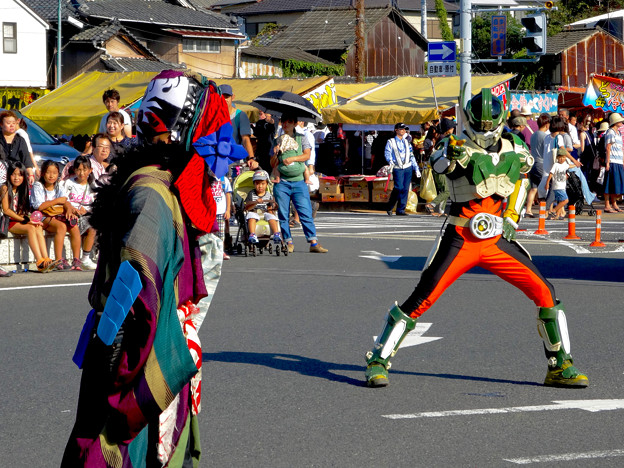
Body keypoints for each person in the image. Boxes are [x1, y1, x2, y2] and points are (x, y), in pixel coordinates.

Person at [62, 69, 233, 466]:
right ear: (180, 132)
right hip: (138, 364)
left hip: (158, 352)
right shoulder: (154, 193)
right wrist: (115, 379)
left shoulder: (161, 184)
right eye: (210, 134)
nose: (216, 149)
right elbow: (132, 297)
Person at [364, 88, 588, 389]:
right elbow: (441, 166)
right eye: (479, 124)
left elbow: (522, 179)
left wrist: (512, 215)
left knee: (545, 291)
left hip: (496, 237)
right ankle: (378, 360)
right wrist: (449, 155)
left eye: (488, 124)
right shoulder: (454, 144)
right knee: (422, 297)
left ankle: (560, 365)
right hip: (462, 236)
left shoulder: (514, 145)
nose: (484, 130)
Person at [270, 113, 327, 253]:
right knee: (283, 214)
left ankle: (313, 242)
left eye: (289, 121)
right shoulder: (277, 139)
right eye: (283, 121)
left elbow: (306, 155)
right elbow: (272, 164)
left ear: (295, 123)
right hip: (282, 182)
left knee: (305, 212)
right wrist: (275, 153)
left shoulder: (302, 138)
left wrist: (293, 159)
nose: (286, 124)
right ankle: (288, 242)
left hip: (299, 181)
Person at [1, 161, 57, 273]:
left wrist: (31, 220)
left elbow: (22, 211)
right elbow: (6, 210)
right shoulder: (5, 188)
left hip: (19, 219)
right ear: (8, 175)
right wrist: (26, 221)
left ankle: (47, 259)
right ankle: (39, 261)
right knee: (31, 228)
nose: (17, 178)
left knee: (38, 227)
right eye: (13, 174)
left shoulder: (23, 189)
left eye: (20, 175)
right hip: (7, 221)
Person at [31, 160, 79, 271]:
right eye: (48, 172)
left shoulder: (58, 186)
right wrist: (57, 201)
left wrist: (69, 210)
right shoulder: (38, 186)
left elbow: (65, 201)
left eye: (55, 173)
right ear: (43, 173)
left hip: (57, 214)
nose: (51, 175)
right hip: (42, 216)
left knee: (74, 227)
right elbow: (39, 206)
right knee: (61, 227)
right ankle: (59, 259)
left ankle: (76, 260)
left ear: (58, 174)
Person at [62, 155, 98, 270]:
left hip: (85, 216)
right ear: (74, 170)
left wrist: (86, 210)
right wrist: (72, 209)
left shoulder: (93, 185)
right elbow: (63, 199)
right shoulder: (68, 183)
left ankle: (85, 258)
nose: (82, 173)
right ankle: (77, 259)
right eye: (78, 169)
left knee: (93, 227)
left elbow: (97, 204)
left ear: (90, 170)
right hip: (70, 215)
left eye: (85, 169)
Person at [385, 122, 421, 216]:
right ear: (396, 130)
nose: (403, 131)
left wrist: (416, 168)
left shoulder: (407, 142)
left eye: (404, 129)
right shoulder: (391, 141)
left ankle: (401, 209)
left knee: (405, 189)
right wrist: (390, 161)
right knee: (398, 187)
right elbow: (387, 153)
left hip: (407, 167)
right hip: (397, 167)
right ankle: (390, 206)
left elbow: (411, 156)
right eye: (401, 129)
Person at [425, 118, 453, 216]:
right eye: (452, 127)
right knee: (447, 190)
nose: (453, 129)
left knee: (443, 189)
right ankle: (432, 205)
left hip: (437, 166)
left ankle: (441, 211)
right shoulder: (447, 139)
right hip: (442, 166)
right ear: (448, 129)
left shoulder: (440, 138)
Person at [245, 170, 281, 244]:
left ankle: (276, 233)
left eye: (263, 184)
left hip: (265, 212)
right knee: (251, 217)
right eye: (257, 184)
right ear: (254, 184)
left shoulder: (268, 195)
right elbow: (247, 206)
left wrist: (271, 212)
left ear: (267, 184)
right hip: (254, 211)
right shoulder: (251, 194)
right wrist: (255, 202)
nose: (260, 186)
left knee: (272, 217)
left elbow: (270, 208)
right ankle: (252, 234)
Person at [525, 113, 551, 217]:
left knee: (534, 188)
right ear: (546, 124)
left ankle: (528, 210)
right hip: (541, 163)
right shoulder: (545, 136)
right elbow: (547, 151)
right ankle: (545, 211)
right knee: (546, 187)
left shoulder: (534, 135)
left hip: (533, 162)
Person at [0, 110, 35, 186]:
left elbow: (26, 158)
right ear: (1, 124)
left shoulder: (20, 140)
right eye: (8, 123)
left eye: (14, 123)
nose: (12, 125)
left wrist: (31, 174)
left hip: (17, 176)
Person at [220, 83, 254, 161]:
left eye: (227, 97)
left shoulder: (240, 115)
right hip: (218, 159)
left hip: (235, 159)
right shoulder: (213, 115)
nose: (224, 100)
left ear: (233, 97)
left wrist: (251, 158)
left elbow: (245, 139)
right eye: (221, 97)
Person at [603, 112, 624, 212]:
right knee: (609, 183)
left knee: (616, 184)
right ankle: (607, 205)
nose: (621, 122)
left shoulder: (618, 133)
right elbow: (608, 147)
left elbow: (621, 148)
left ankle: (614, 204)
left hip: (619, 161)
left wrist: (622, 161)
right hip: (612, 161)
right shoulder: (610, 132)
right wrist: (607, 162)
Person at [210, 173, 232, 260]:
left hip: (220, 211)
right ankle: (211, 251)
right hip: (209, 212)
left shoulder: (223, 180)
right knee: (210, 233)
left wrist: (228, 210)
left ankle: (221, 251)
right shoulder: (207, 179)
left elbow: (228, 195)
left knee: (221, 234)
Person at [546, 148, 570, 219]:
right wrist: (547, 183)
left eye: (563, 157)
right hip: (557, 186)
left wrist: (577, 165)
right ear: (557, 158)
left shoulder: (565, 164)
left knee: (561, 201)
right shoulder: (556, 165)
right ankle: (553, 210)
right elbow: (551, 174)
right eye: (560, 157)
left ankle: (556, 215)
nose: (562, 159)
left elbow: (570, 166)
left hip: (562, 186)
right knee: (566, 200)